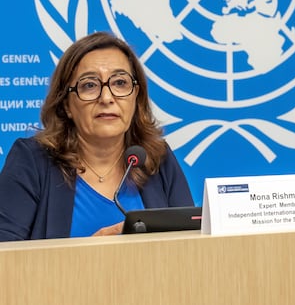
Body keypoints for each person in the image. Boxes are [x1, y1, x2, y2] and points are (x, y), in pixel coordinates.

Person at [0, 32, 194, 240]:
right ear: (67, 105)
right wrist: (88, 256)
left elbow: (190, 249)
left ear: (136, 96)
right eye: (89, 85)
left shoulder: (157, 159)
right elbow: (6, 260)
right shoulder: (33, 161)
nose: (107, 97)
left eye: (120, 83)